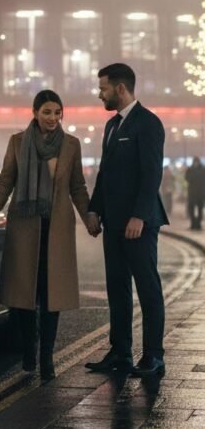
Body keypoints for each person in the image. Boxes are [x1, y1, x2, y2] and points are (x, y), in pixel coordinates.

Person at [0, 89, 91, 380]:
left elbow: (77, 187)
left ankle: (47, 357)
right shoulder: (18, 143)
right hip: (24, 227)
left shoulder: (71, 145)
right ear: (35, 113)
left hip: (57, 229)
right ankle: (29, 348)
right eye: (47, 112)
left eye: (57, 112)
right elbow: (4, 184)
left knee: (52, 296)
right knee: (25, 295)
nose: (52, 118)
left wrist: (90, 217)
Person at [85, 62, 168, 378]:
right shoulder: (111, 126)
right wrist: (95, 210)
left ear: (120, 88)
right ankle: (120, 352)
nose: (99, 94)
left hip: (139, 224)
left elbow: (151, 175)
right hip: (114, 223)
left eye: (103, 88)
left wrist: (139, 215)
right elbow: (104, 173)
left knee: (148, 288)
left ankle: (153, 357)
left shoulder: (148, 123)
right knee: (117, 288)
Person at [185, 157, 205, 230]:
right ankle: (193, 224)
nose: (196, 163)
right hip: (192, 193)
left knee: (200, 209)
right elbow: (186, 178)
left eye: (197, 162)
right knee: (191, 209)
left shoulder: (203, 169)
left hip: (200, 193)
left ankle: (198, 224)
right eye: (195, 162)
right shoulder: (190, 169)